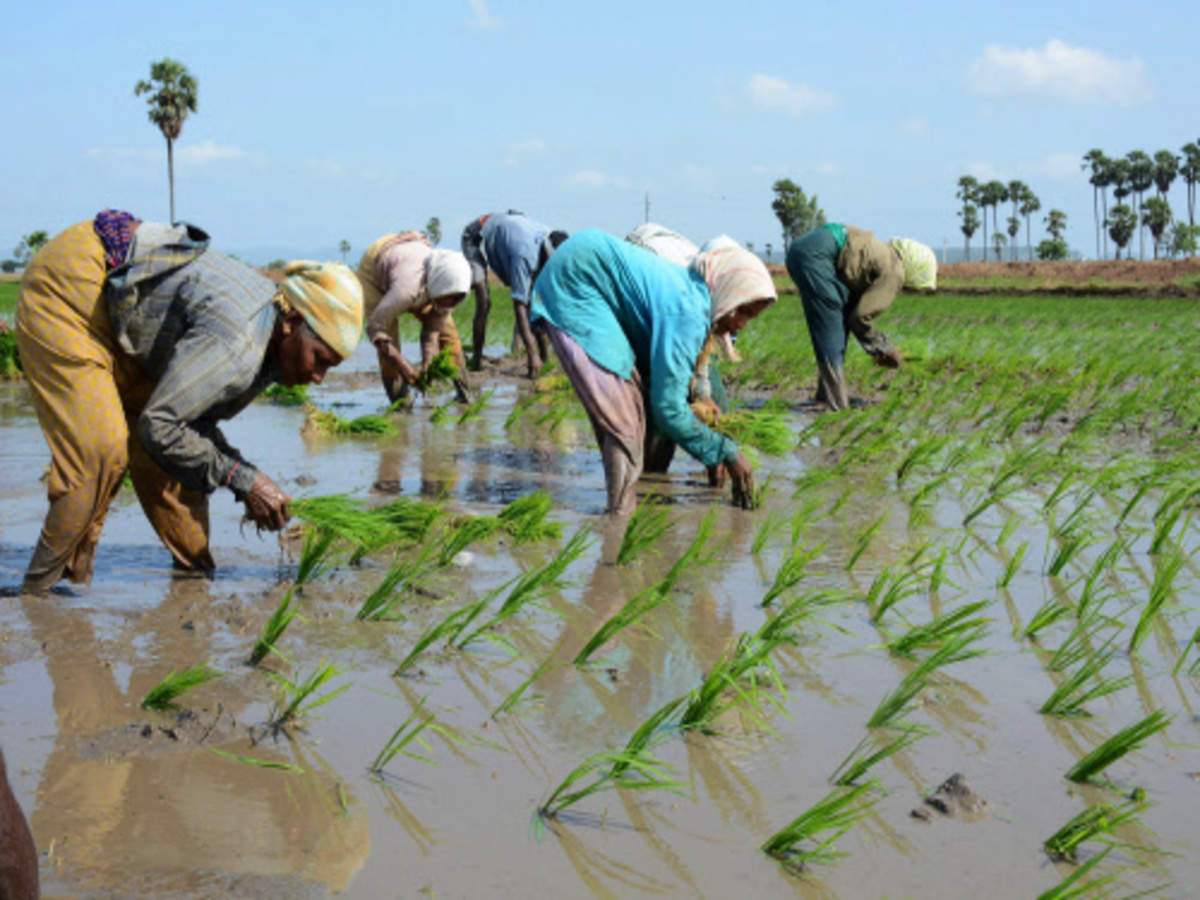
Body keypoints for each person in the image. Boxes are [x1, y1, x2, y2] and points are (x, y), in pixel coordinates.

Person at [14, 212, 362, 595]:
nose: (318, 377)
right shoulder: (239, 343)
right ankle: (35, 596)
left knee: (183, 463)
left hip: (127, 315)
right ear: (292, 321)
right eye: (320, 360)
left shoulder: (269, 343)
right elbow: (160, 425)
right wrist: (245, 480)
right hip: (73, 289)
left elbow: (189, 427)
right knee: (100, 452)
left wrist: (245, 476)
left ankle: (194, 585)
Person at [531, 229, 777, 515]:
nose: (742, 324)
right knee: (623, 425)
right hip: (579, 281)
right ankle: (619, 521)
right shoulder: (689, 310)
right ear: (728, 291)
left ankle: (621, 510)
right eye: (743, 311)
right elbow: (668, 409)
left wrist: (702, 402)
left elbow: (691, 364)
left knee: (629, 407)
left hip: (583, 267)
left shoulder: (696, 296)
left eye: (751, 316)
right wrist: (727, 452)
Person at [785, 223, 936, 410]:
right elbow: (860, 317)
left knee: (838, 320)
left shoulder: (881, 254)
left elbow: (851, 315)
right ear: (915, 270)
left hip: (807, 249)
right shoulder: (895, 271)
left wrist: (876, 348)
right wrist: (884, 349)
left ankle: (826, 395)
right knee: (831, 317)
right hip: (816, 254)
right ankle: (835, 403)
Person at [357, 231, 473, 404]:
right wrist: (405, 367)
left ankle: (465, 395)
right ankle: (400, 402)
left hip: (410, 256)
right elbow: (375, 328)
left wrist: (428, 363)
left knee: (449, 335)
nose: (448, 303)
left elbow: (432, 332)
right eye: (446, 298)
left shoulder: (449, 287)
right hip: (376, 267)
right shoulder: (407, 290)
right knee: (389, 343)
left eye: (454, 299)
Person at [461, 211, 568, 376]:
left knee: (535, 298)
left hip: (509, 230)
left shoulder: (553, 242)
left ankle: (545, 359)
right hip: (478, 234)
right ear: (546, 254)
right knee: (484, 301)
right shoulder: (524, 256)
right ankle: (476, 362)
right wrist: (532, 354)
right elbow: (519, 305)